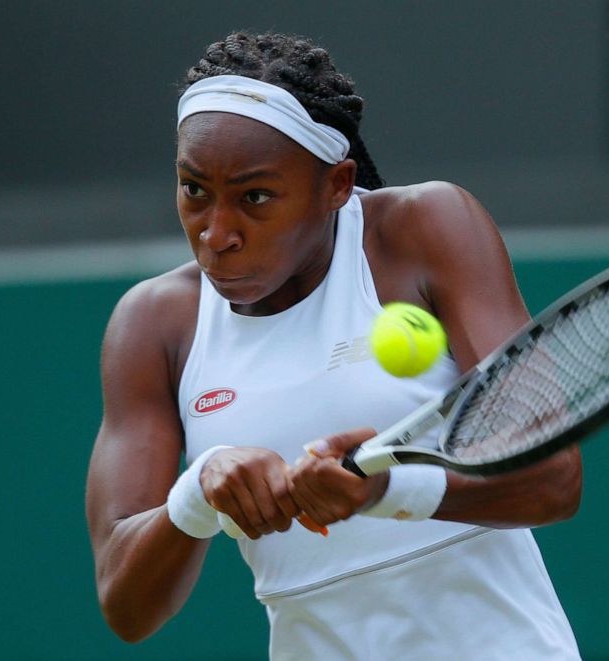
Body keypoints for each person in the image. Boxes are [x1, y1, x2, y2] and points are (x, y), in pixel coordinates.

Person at [85, 31, 582, 659]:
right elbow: (125, 604)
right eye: (194, 191)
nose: (216, 234)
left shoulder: (423, 228)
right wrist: (200, 492)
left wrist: (382, 489)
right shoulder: (153, 323)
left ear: (337, 185)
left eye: (255, 197)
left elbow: (553, 480)